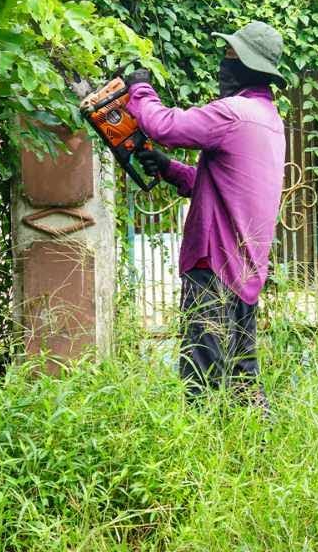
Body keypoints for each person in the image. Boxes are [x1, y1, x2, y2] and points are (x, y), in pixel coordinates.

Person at [123, 21, 287, 409]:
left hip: (215, 265)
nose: (222, 64)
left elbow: (163, 125)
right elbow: (227, 186)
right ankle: (255, 452)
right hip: (245, 269)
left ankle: (201, 456)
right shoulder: (267, 119)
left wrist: (139, 86)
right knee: (242, 377)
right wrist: (169, 169)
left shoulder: (233, 112)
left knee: (202, 377)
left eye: (229, 56)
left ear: (246, 66)